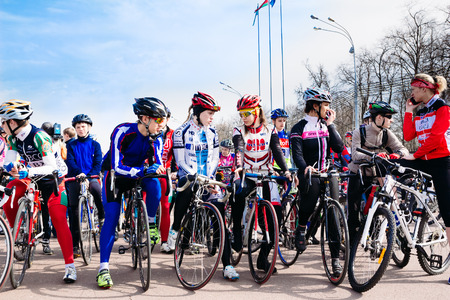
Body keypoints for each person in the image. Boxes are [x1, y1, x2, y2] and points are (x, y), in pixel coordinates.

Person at [0, 99, 76, 283]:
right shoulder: (12, 137)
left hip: (53, 178)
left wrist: (27, 170)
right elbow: (8, 161)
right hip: (31, 177)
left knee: (58, 218)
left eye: (3, 121)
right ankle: (16, 233)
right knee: (11, 189)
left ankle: (70, 266)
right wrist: (11, 167)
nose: (1, 125)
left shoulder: (40, 136)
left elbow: (50, 167)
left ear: (12, 122)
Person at [168, 92, 240, 280]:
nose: (212, 117)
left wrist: (208, 178)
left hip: (207, 178)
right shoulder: (180, 131)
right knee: (185, 186)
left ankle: (227, 265)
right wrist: (194, 175)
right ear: (198, 112)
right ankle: (175, 229)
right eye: (209, 113)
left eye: (213, 114)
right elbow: (180, 160)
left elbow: (215, 157)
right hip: (189, 176)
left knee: (220, 213)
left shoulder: (213, 132)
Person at [97, 97, 167, 289]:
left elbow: (158, 163)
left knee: (155, 183)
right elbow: (116, 165)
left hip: (138, 173)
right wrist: (142, 170)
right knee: (111, 217)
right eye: (159, 120)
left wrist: (155, 169)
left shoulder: (157, 138)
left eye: (164, 120)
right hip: (116, 175)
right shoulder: (123, 131)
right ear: (145, 119)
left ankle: (151, 224)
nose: (163, 124)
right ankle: (103, 268)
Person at [231, 94, 291, 274]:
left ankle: (263, 258)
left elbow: (277, 151)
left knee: (276, 217)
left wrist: (286, 170)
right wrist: (239, 167)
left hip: (266, 175)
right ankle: (236, 231)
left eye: (247, 113)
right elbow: (239, 149)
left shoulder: (270, 130)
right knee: (238, 191)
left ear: (257, 112)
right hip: (247, 174)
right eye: (241, 114)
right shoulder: (239, 130)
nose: (244, 117)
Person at [401, 73, 450, 285]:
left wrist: (415, 154)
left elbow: (437, 137)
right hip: (425, 159)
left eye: (414, 89)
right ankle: (396, 216)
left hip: (442, 161)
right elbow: (408, 135)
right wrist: (409, 112)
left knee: (448, 213)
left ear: (423, 88)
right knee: (394, 166)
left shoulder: (442, 107)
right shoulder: (421, 110)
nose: (411, 93)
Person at [290, 87, 344, 275]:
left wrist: (331, 125)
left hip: (327, 173)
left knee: (334, 214)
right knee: (310, 201)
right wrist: (305, 167)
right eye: (326, 105)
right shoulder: (299, 127)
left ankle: (335, 258)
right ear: (315, 106)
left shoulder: (326, 126)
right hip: (310, 173)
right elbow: (296, 153)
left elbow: (338, 147)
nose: (329, 109)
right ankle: (302, 227)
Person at [347, 101, 408, 243]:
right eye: (389, 117)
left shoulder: (386, 133)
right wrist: (374, 155)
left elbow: (402, 148)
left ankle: (374, 242)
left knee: (374, 211)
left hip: (375, 175)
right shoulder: (359, 132)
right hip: (358, 174)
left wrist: (398, 154)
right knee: (353, 212)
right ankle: (351, 246)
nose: (392, 120)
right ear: (379, 118)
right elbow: (355, 155)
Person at [65, 114, 104, 258]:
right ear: (75, 129)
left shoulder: (95, 145)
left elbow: (98, 163)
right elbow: (70, 161)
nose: (81, 129)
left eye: (83, 126)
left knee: (97, 191)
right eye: (78, 127)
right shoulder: (71, 145)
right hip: (76, 178)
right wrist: (79, 174)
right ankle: (75, 246)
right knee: (74, 212)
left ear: (89, 127)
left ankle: (101, 216)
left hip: (91, 177)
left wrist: (89, 176)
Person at [158, 108, 177, 253]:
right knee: (145, 202)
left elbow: (176, 154)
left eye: (163, 117)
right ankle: (137, 230)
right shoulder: (150, 131)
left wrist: (175, 171)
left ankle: (164, 241)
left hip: (165, 174)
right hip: (148, 173)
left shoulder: (173, 134)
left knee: (165, 207)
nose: (161, 121)